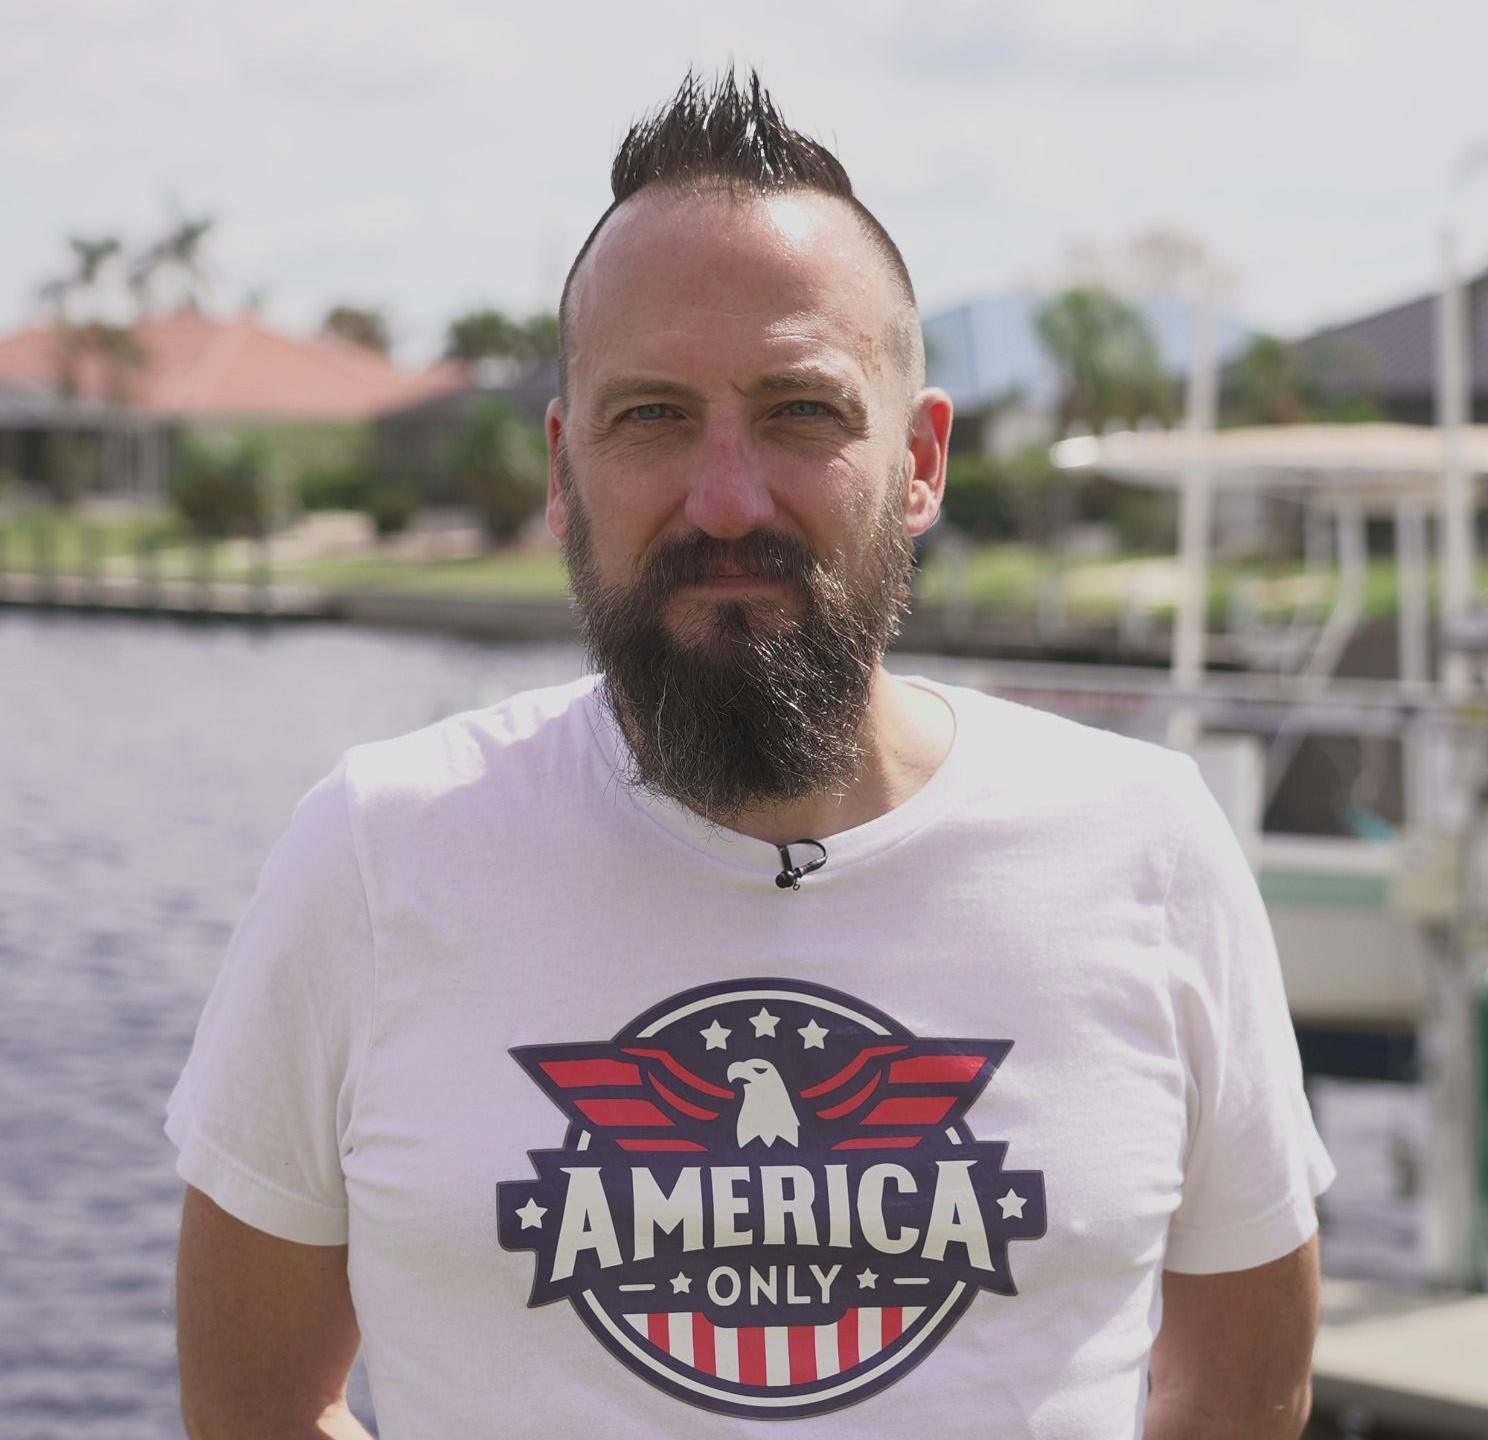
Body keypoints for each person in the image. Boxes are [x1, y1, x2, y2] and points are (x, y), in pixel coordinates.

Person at [168, 69, 1333, 1440]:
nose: (727, 499)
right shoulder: (377, 851)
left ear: (921, 459)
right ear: (562, 468)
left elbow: (1242, 1392)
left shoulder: (1147, 846)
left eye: (801, 413)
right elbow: (256, 1405)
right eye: (651, 417)